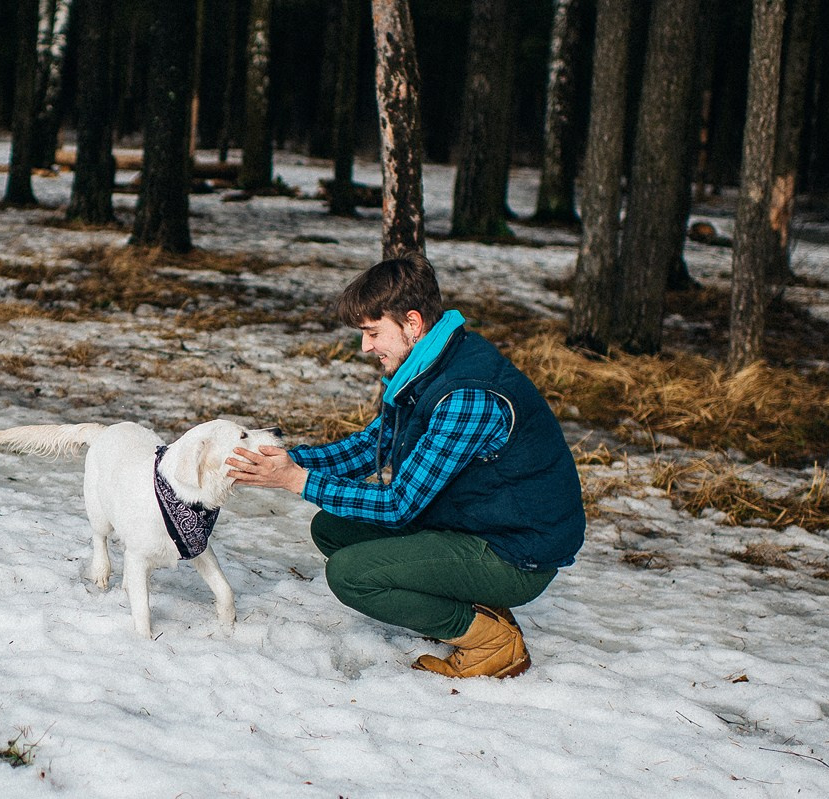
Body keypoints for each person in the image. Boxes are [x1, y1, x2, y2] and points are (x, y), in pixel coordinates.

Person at [226, 252, 585, 679]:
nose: (365, 346)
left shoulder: (465, 395)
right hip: (474, 523)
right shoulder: (428, 366)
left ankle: (490, 640)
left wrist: (296, 480)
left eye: (373, 332)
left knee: (353, 575)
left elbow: (398, 505)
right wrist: (276, 462)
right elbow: (369, 449)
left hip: (515, 553)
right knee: (333, 528)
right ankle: (470, 606)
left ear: (412, 323)